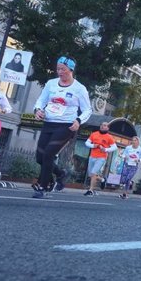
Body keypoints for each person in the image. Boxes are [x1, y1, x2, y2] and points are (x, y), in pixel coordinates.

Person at [32, 56, 92, 198]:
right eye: (58, 69)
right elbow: (41, 100)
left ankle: (43, 186)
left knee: (48, 154)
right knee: (40, 158)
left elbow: (88, 110)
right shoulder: (51, 84)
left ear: (71, 70)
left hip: (66, 126)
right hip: (48, 123)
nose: (60, 72)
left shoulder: (79, 88)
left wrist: (78, 120)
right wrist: (37, 110)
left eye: (63, 69)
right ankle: (60, 173)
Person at [83, 121, 118, 196]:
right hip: (92, 156)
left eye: (105, 125)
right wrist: (93, 146)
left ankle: (90, 190)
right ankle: (102, 179)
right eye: (102, 125)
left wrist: (105, 149)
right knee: (91, 174)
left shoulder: (109, 137)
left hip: (101, 157)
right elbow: (87, 143)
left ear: (107, 128)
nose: (102, 126)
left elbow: (114, 147)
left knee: (93, 173)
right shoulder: (94, 134)